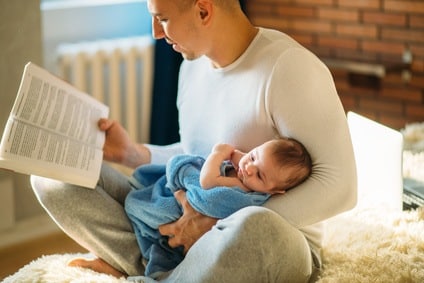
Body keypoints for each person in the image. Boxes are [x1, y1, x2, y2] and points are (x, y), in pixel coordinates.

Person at [30, 0, 357, 282]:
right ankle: (161, 270)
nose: (157, 32)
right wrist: (133, 154)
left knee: (257, 229)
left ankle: (147, 271)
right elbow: (193, 154)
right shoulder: (191, 67)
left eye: (164, 18)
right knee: (53, 177)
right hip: (181, 219)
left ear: (203, 10)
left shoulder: (290, 68)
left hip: (267, 241)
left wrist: (215, 222)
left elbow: (341, 187)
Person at [125, 138, 312, 278]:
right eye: (253, 156)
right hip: (180, 214)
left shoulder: (244, 194)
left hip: (178, 215)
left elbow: (206, 186)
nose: (248, 168)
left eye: (260, 176)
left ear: (276, 191)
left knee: (135, 206)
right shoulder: (246, 176)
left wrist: (218, 154)